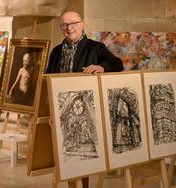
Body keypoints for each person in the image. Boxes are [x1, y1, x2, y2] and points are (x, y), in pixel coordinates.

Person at [46, 11, 124, 188]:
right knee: (65, 160)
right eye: (64, 25)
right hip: (60, 113)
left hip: (83, 114)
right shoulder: (56, 51)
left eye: (73, 23)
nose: (69, 28)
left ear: (82, 24)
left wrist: (101, 67)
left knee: (80, 160)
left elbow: (118, 64)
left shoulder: (96, 48)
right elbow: (48, 78)